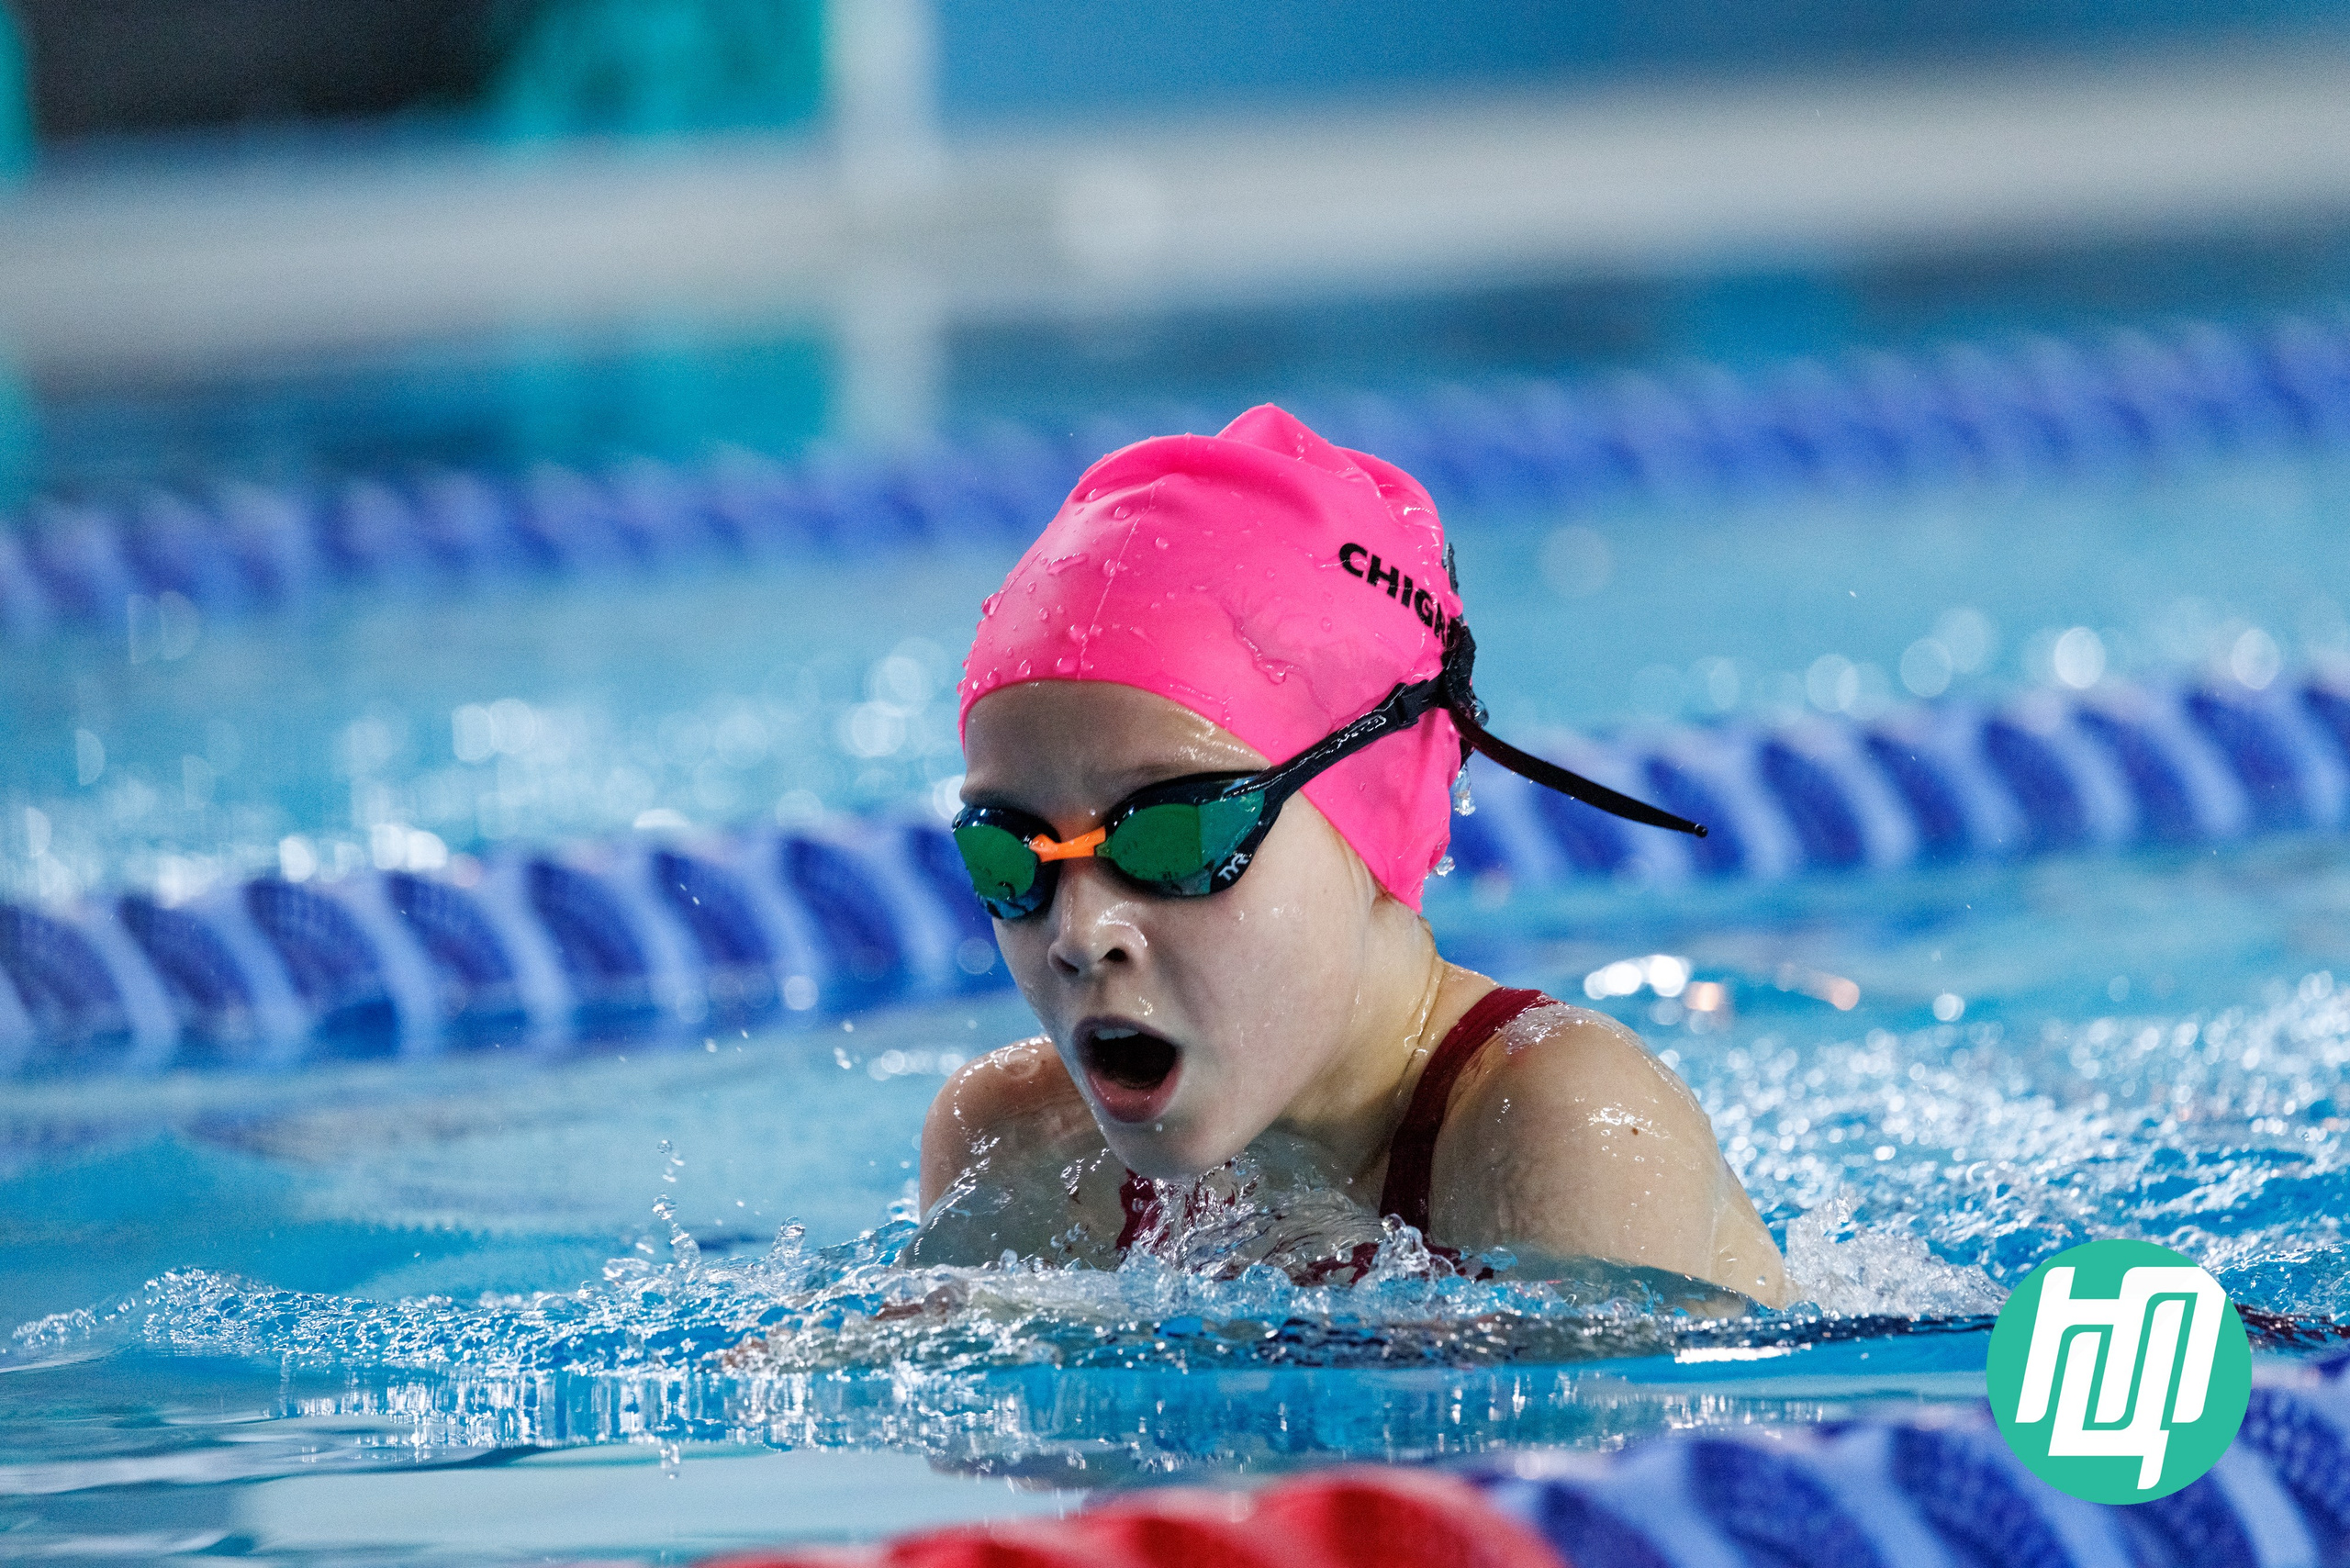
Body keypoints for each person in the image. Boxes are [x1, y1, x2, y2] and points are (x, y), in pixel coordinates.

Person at [905, 406, 1786, 1307]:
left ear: (1375, 821)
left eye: (1176, 835)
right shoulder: (1015, 1146)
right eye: (1007, 852)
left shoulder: (1568, 1124)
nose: (1079, 931)